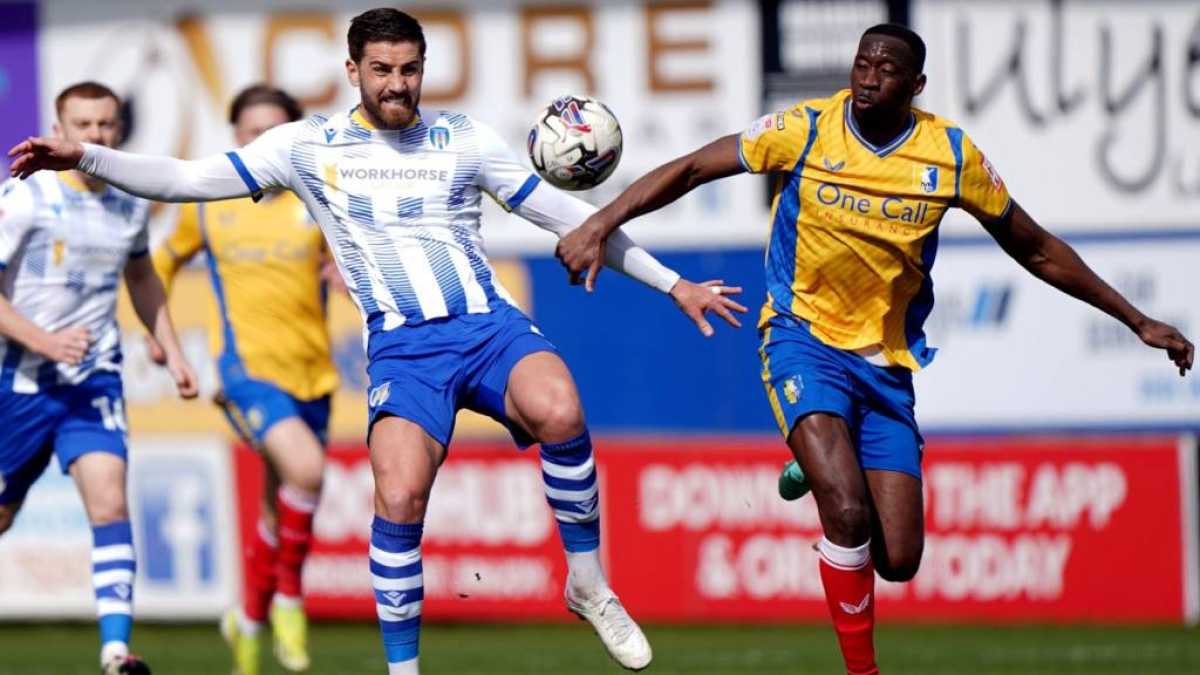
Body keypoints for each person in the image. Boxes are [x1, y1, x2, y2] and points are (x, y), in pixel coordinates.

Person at [8, 9, 745, 673]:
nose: (399, 84)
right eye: (384, 70)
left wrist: (673, 282)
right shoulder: (306, 145)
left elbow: (570, 219)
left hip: (485, 327)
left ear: (424, 67)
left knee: (560, 407)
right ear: (352, 71)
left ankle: (587, 582)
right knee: (398, 495)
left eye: (411, 68)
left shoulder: (461, 139)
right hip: (402, 348)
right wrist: (86, 158)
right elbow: (185, 179)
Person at [553, 23, 1194, 675]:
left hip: (886, 366)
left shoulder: (949, 156)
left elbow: (1035, 247)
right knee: (847, 507)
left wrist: (1137, 320)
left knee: (899, 558)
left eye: (885, 70)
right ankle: (862, 666)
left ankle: (821, 457)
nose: (867, 76)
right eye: (861, 63)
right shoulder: (806, 128)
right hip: (801, 338)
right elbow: (692, 166)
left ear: (915, 87)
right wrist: (602, 222)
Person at [0, 81, 198, 675]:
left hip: (93, 381)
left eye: (107, 125)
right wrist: (43, 341)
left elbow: (141, 276)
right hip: (20, 382)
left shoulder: (129, 197)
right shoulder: (26, 197)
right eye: (82, 125)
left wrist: (173, 348)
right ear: (58, 131)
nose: (95, 136)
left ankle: (116, 652)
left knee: (110, 503)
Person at [150, 84, 333, 675]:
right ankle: (290, 601)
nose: (260, 143)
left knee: (279, 511)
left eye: (272, 132)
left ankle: (247, 625)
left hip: (315, 374)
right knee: (306, 470)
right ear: (235, 138)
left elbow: (355, 261)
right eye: (250, 133)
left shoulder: (320, 198)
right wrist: (162, 336)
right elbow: (155, 264)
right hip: (246, 371)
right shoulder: (209, 201)